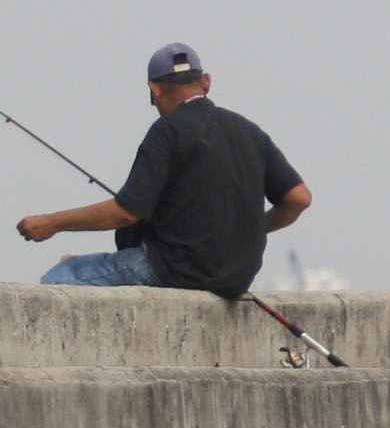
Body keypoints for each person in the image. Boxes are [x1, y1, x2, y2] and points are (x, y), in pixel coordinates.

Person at [18, 44, 311, 296]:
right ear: (206, 82)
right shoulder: (249, 132)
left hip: (176, 270)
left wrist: (51, 223)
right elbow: (299, 198)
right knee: (95, 268)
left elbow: (126, 213)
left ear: (155, 90)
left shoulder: (168, 130)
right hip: (235, 278)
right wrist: (248, 229)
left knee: (64, 275)